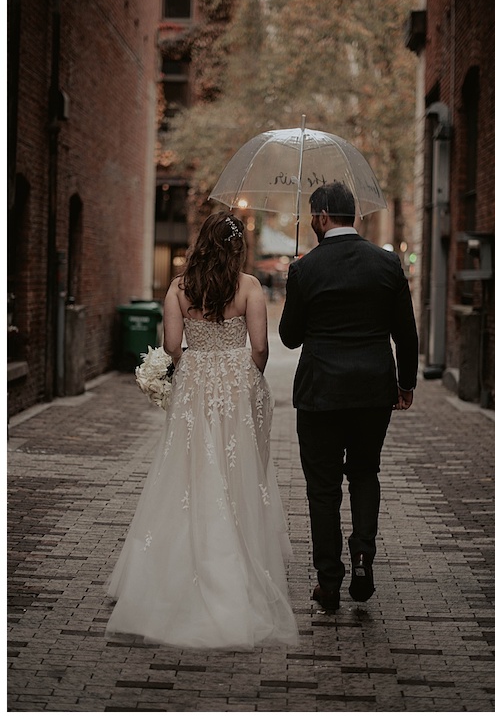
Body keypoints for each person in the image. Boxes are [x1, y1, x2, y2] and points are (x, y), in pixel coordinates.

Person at [106, 212, 299, 649]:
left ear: (202, 242)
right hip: (234, 381)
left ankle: (174, 567)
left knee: (188, 468)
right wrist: (246, 378)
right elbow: (261, 347)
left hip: (194, 383)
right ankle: (233, 558)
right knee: (236, 467)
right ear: (237, 246)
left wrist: (195, 359)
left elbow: (173, 347)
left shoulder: (179, 287)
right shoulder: (249, 286)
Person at [279, 181, 418, 613]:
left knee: (322, 489)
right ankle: (362, 556)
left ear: (321, 217)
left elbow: (288, 337)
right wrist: (406, 384)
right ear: (352, 215)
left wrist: (299, 289)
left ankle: (329, 581)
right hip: (374, 391)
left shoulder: (306, 268)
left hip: (320, 393)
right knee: (363, 473)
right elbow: (406, 335)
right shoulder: (387, 264)